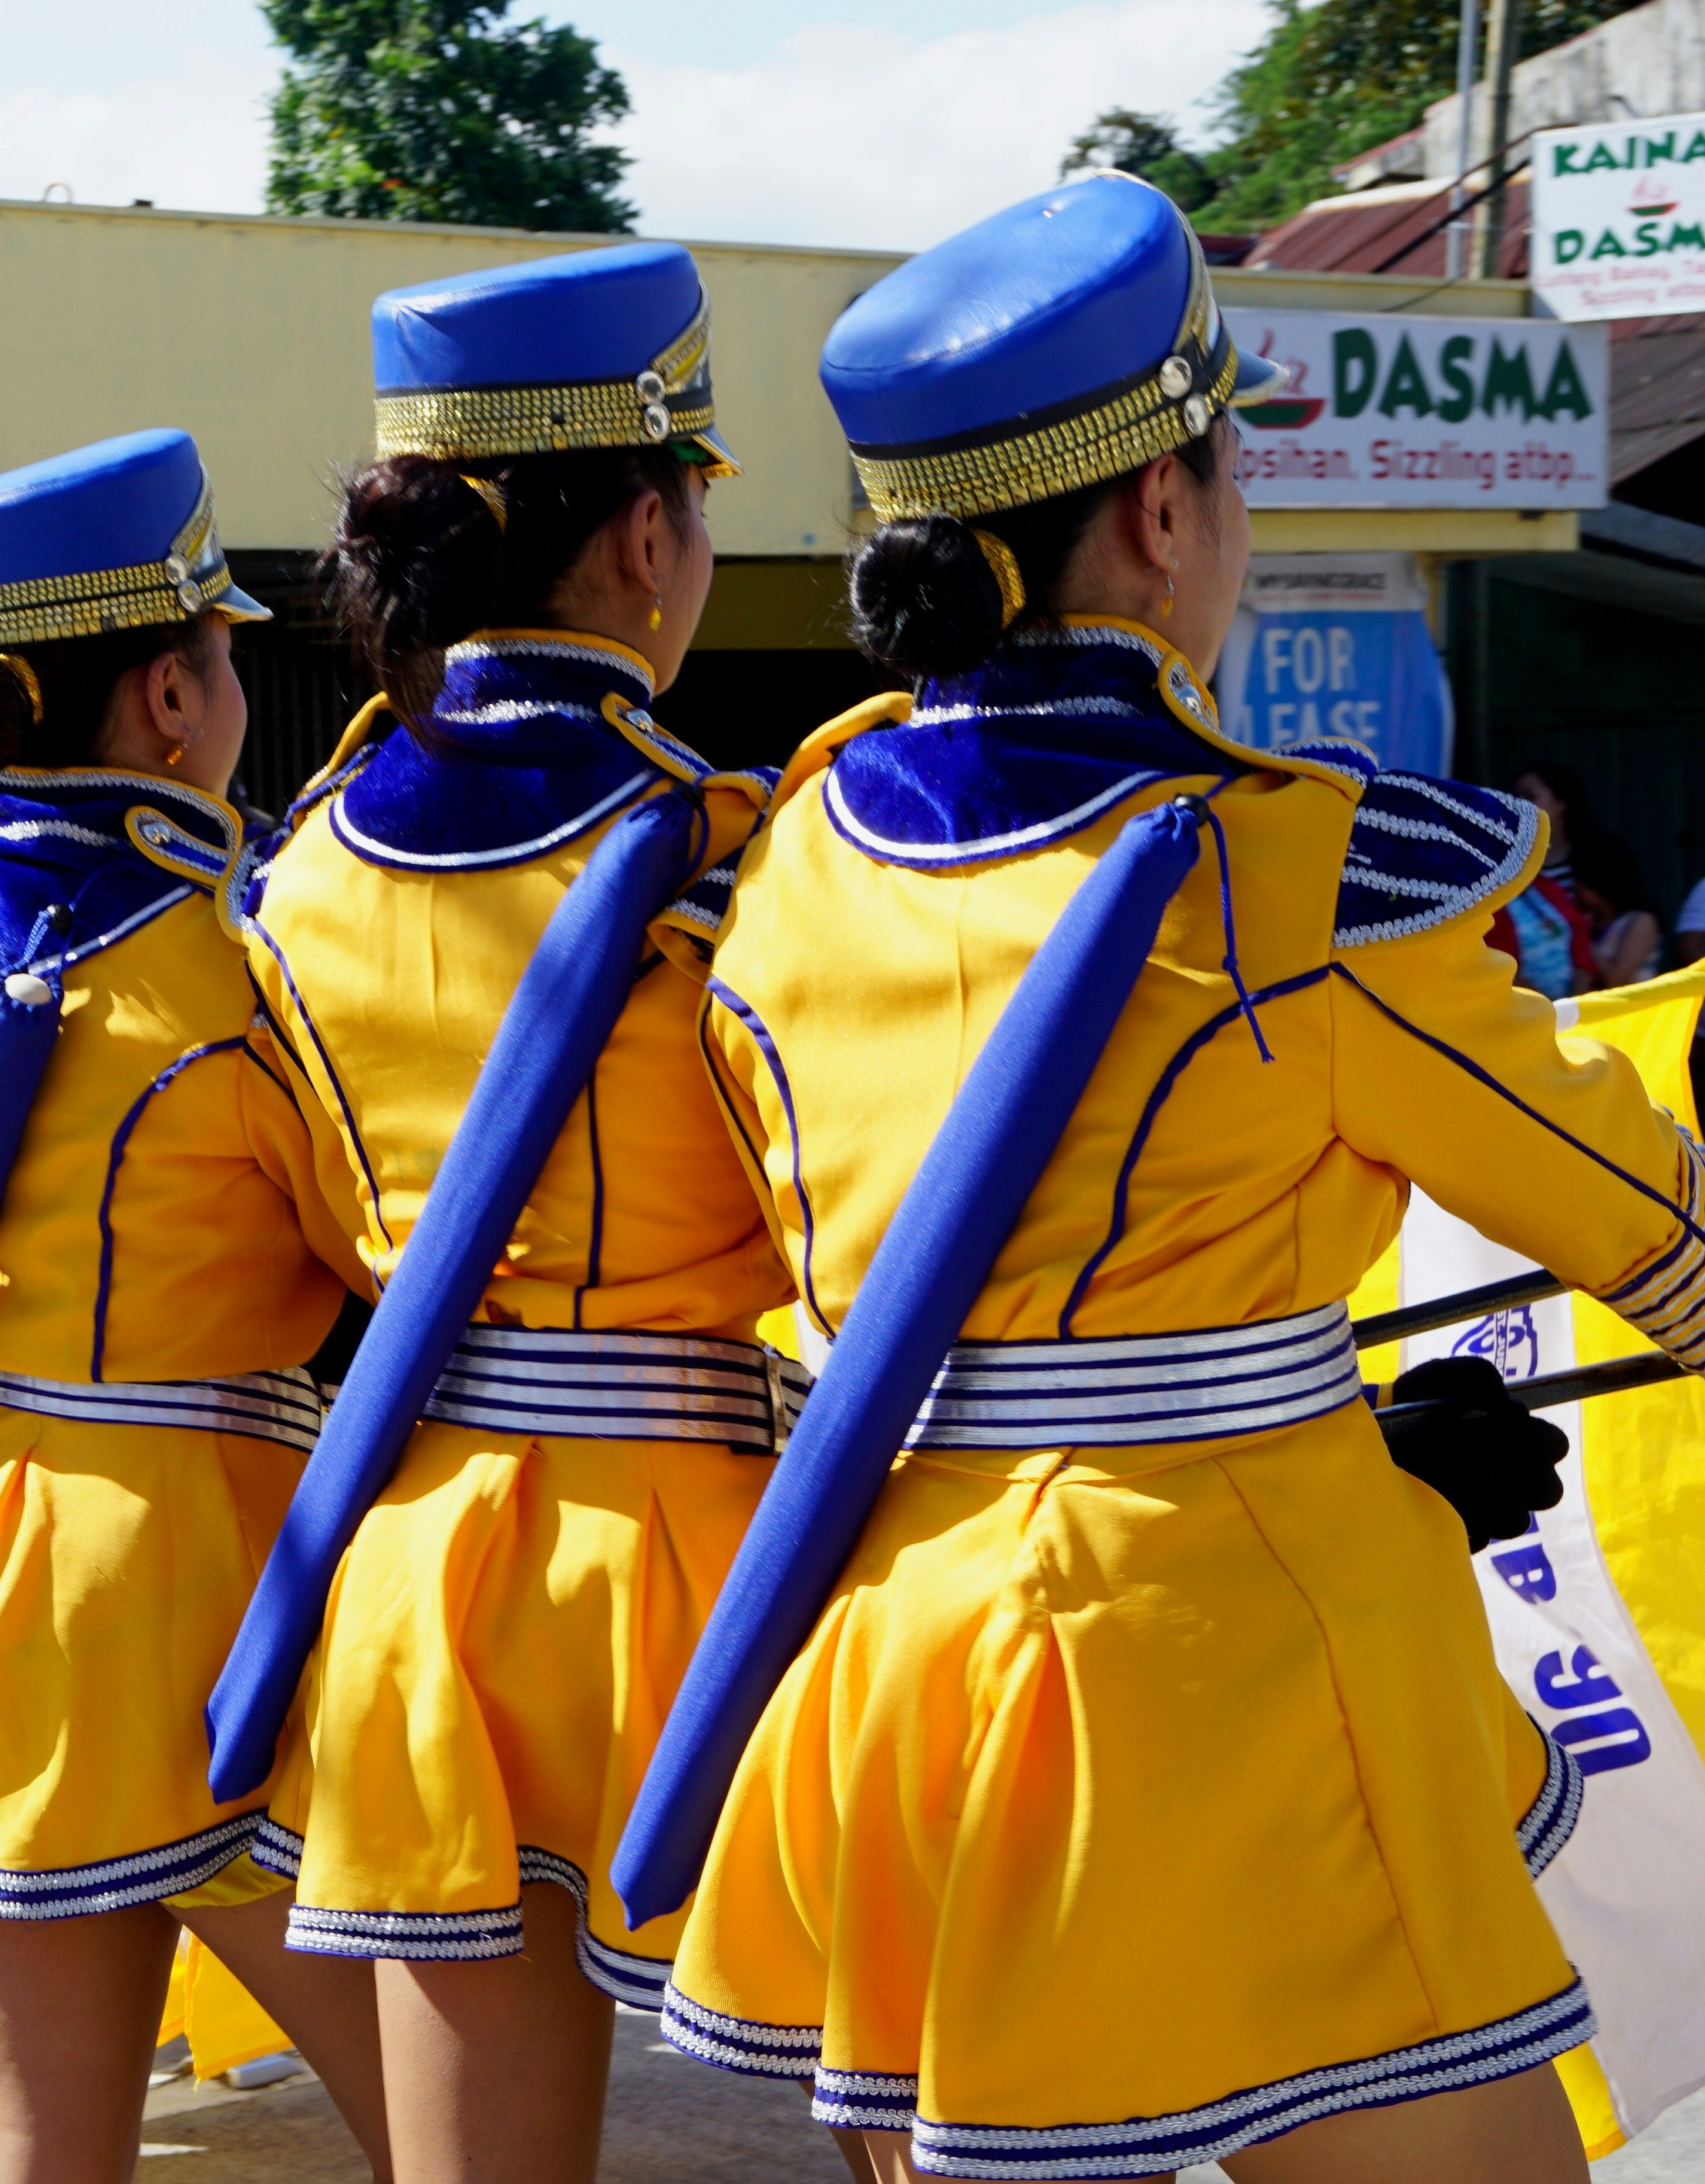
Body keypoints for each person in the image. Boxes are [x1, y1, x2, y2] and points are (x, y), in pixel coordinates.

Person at [658, 173, 1680, 2182]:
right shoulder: (1307, 874)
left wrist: (1326, 1419)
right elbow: (1651, 1229)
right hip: (1259, 1688)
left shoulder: (776, 871)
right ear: (1156, 513)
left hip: (900, 1656)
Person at [211, 243, 800, 2180]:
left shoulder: (291, 874)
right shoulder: (725, 848)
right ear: (644, 533)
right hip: (715, 1568)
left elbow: (303, 1223)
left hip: (408, 1568)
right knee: (925, 2121)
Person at [0, 430, 392, 2182]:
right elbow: (379, 1253)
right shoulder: (236, 945)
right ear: (169, 702)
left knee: (32, 2146)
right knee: (448, 2126)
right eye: (215, 654)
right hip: (195, 1568)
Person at [1513, 763, 1657, 987]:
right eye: (1516, 796)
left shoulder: (1591, 859)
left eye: (1531, 796)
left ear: (1562, 803)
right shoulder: (1511, 869)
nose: (1519, 804)